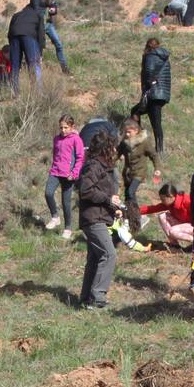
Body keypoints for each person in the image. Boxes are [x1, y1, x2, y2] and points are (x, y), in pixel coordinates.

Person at [77, 131, 121, 310]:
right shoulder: (94, 166)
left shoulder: (103, 167)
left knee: (95, 257)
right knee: (109, 254)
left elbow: (102, 193)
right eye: (113, 146)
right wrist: (108, 200)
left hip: (100, 216)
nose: (116, 149)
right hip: (93, 218)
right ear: (106, 148)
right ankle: (98, 297)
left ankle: (87, 298)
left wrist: (114, 207)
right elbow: (86, 191)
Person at [44, 115, 83, 239]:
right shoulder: (56, 139)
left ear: (72, 127)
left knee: (65, 203)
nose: (63, 130)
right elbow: (56, 155)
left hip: (68, 175)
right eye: (61, 128)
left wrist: (74, 173)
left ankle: (68, 228)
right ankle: (55, 217)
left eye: (66, 127)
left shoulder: (76, 139)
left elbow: (80, 158)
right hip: (55, 171)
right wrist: (53, 167)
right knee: (48, 193)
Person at [119, 118, 160, 234]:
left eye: (129, 132)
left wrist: (157, 168)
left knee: (131, 192)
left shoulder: (144, 142)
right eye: (125, 132)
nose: (127, 134)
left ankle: (139, 217)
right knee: (127, 196)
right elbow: (117, 153)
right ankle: (131, 220)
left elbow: (154, 155)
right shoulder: (125, 143)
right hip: (128, 173)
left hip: (139, 173)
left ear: (136, 130)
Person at [133, 38, 171, 155]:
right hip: (162, 94)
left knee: (138, 113)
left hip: (153, 93)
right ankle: (156, 148)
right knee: (154, 121)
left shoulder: (150, 56)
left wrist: (148, 84)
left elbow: (149, 72)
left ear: (147, 46)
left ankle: (140, 142)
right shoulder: (163, 57)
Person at [30, 0, 70, 75]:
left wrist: (53, 9)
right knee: (39, 49)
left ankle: (65, 70)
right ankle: (36, 73)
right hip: (38, 23)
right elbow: (35, 7)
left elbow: (54, 5)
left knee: (59, 45)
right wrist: (48, 8)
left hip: (48, 23)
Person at [138, 183, 194, 249]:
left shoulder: (187, 201)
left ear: (170, 196)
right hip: (185, 224)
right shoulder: (169, 203)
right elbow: (153, 208)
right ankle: (175, 245)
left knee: (173, 231)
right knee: (162, 216)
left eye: (163, 199)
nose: (162, 201)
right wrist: (133, 211)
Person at [6, 4, 43, 96]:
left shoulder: (16, 15)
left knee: (15, 66)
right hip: (29, 36)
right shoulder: (37, 14)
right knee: (33, 63)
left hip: (14, 36)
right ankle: (37, 92)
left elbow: (9, 33)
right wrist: (40, 53)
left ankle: (15, 92)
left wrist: (12, 47)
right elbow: (41, 35)